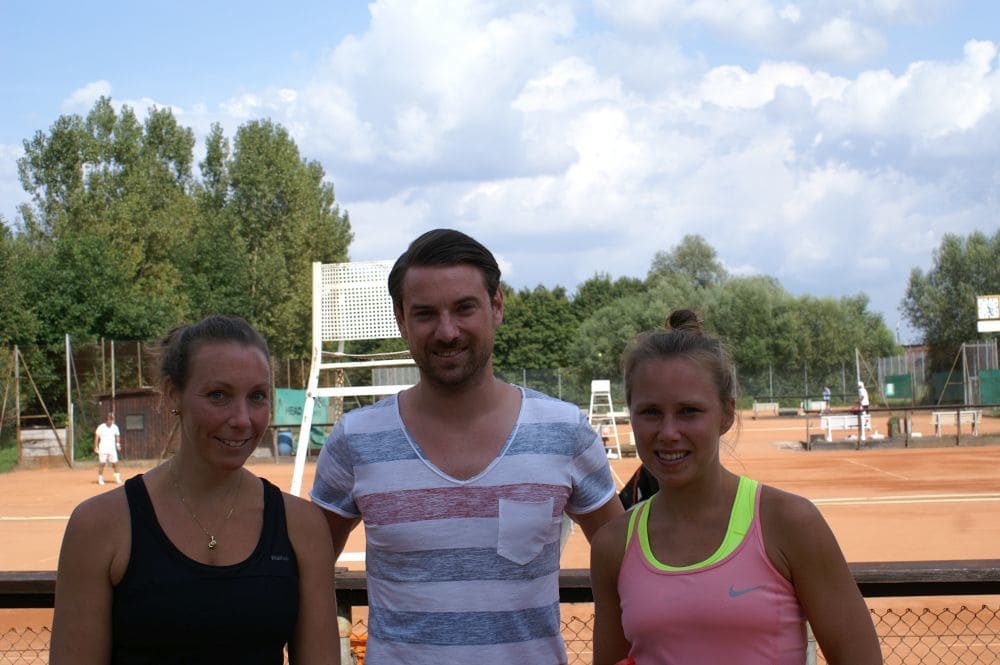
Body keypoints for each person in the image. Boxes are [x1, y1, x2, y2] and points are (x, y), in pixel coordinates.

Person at [310, 228, 623, 664]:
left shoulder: (564, 431)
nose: (447, 331)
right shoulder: (354, 441)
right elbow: (307, 572)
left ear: (497, 307)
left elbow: (625, 566)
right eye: (424, 314)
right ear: (401, 320)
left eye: (464, 308)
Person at [590, 310, 882, 665]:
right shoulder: (612, 545)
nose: (668, 432)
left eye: (689, 411)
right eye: (650, 412)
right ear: (631, 415)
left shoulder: (789, 523)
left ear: (727, 414)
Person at [51, 315, 340, 665]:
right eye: (219, 395)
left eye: (257, 396)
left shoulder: (302, 526)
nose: (242, 418)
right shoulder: (99, 526)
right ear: (174, 394)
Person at [94, 412, 122, 485]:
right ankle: (100, 479)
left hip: (112, 449)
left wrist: (118, 444)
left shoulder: (115, 427)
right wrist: (96, 446)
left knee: (115, 463)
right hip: (103, 449)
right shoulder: (101, 427)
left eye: (111, 420)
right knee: (102, 464)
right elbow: (97, 437)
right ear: (106, 420)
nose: (110, 421)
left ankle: (117, 478)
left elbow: (117, 436)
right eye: (109, 419)